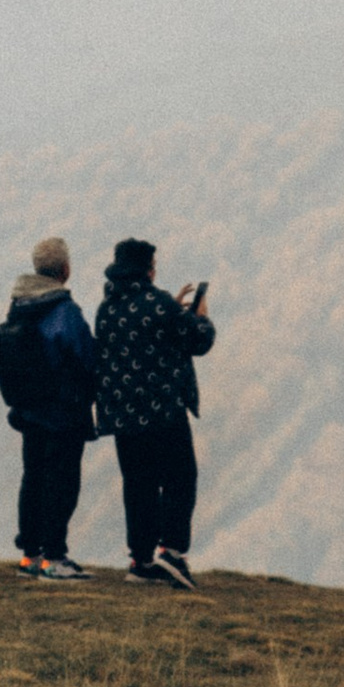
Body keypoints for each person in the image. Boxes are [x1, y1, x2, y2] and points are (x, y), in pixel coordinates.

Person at [91, 235, 215, 588]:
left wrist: (170, 310)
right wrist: (200, 317)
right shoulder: (158, 304)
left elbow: (140, 336)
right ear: (148, 270)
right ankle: (172, 553)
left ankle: (141, 561)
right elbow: (198, 340)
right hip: (163, 411)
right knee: (180, 478)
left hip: (123, 417)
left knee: (139, 485)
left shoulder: (108, 308)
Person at [0, 233, 96, 580]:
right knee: (62, 482)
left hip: (29, 410)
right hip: (63, 412)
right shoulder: (64, 311)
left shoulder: (19, 306)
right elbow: (87, 358)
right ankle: (55, 557)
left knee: (33, 479)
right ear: (65, 270)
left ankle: (30, 555)